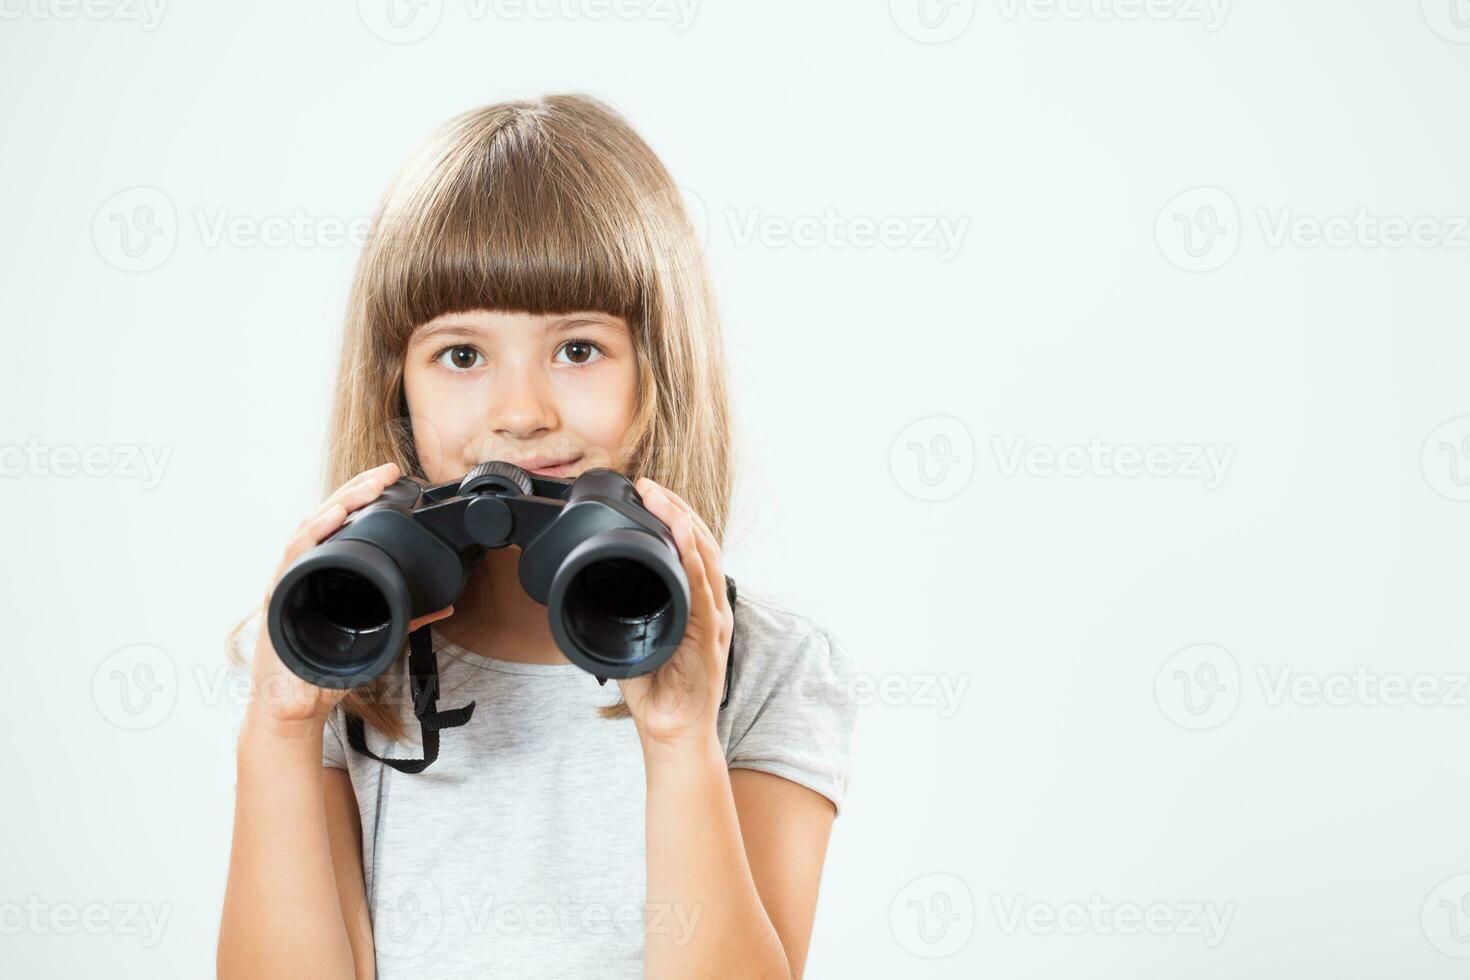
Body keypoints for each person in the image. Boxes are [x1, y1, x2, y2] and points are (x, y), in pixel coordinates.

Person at [216, 92, 859, 980]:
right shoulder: (342, 654)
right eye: (463, 356)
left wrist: (679, 741)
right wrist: (280, 731)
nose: (520, 414)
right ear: (395, 385)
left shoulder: (767, 664)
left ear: (656, 370)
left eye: (579, 350)